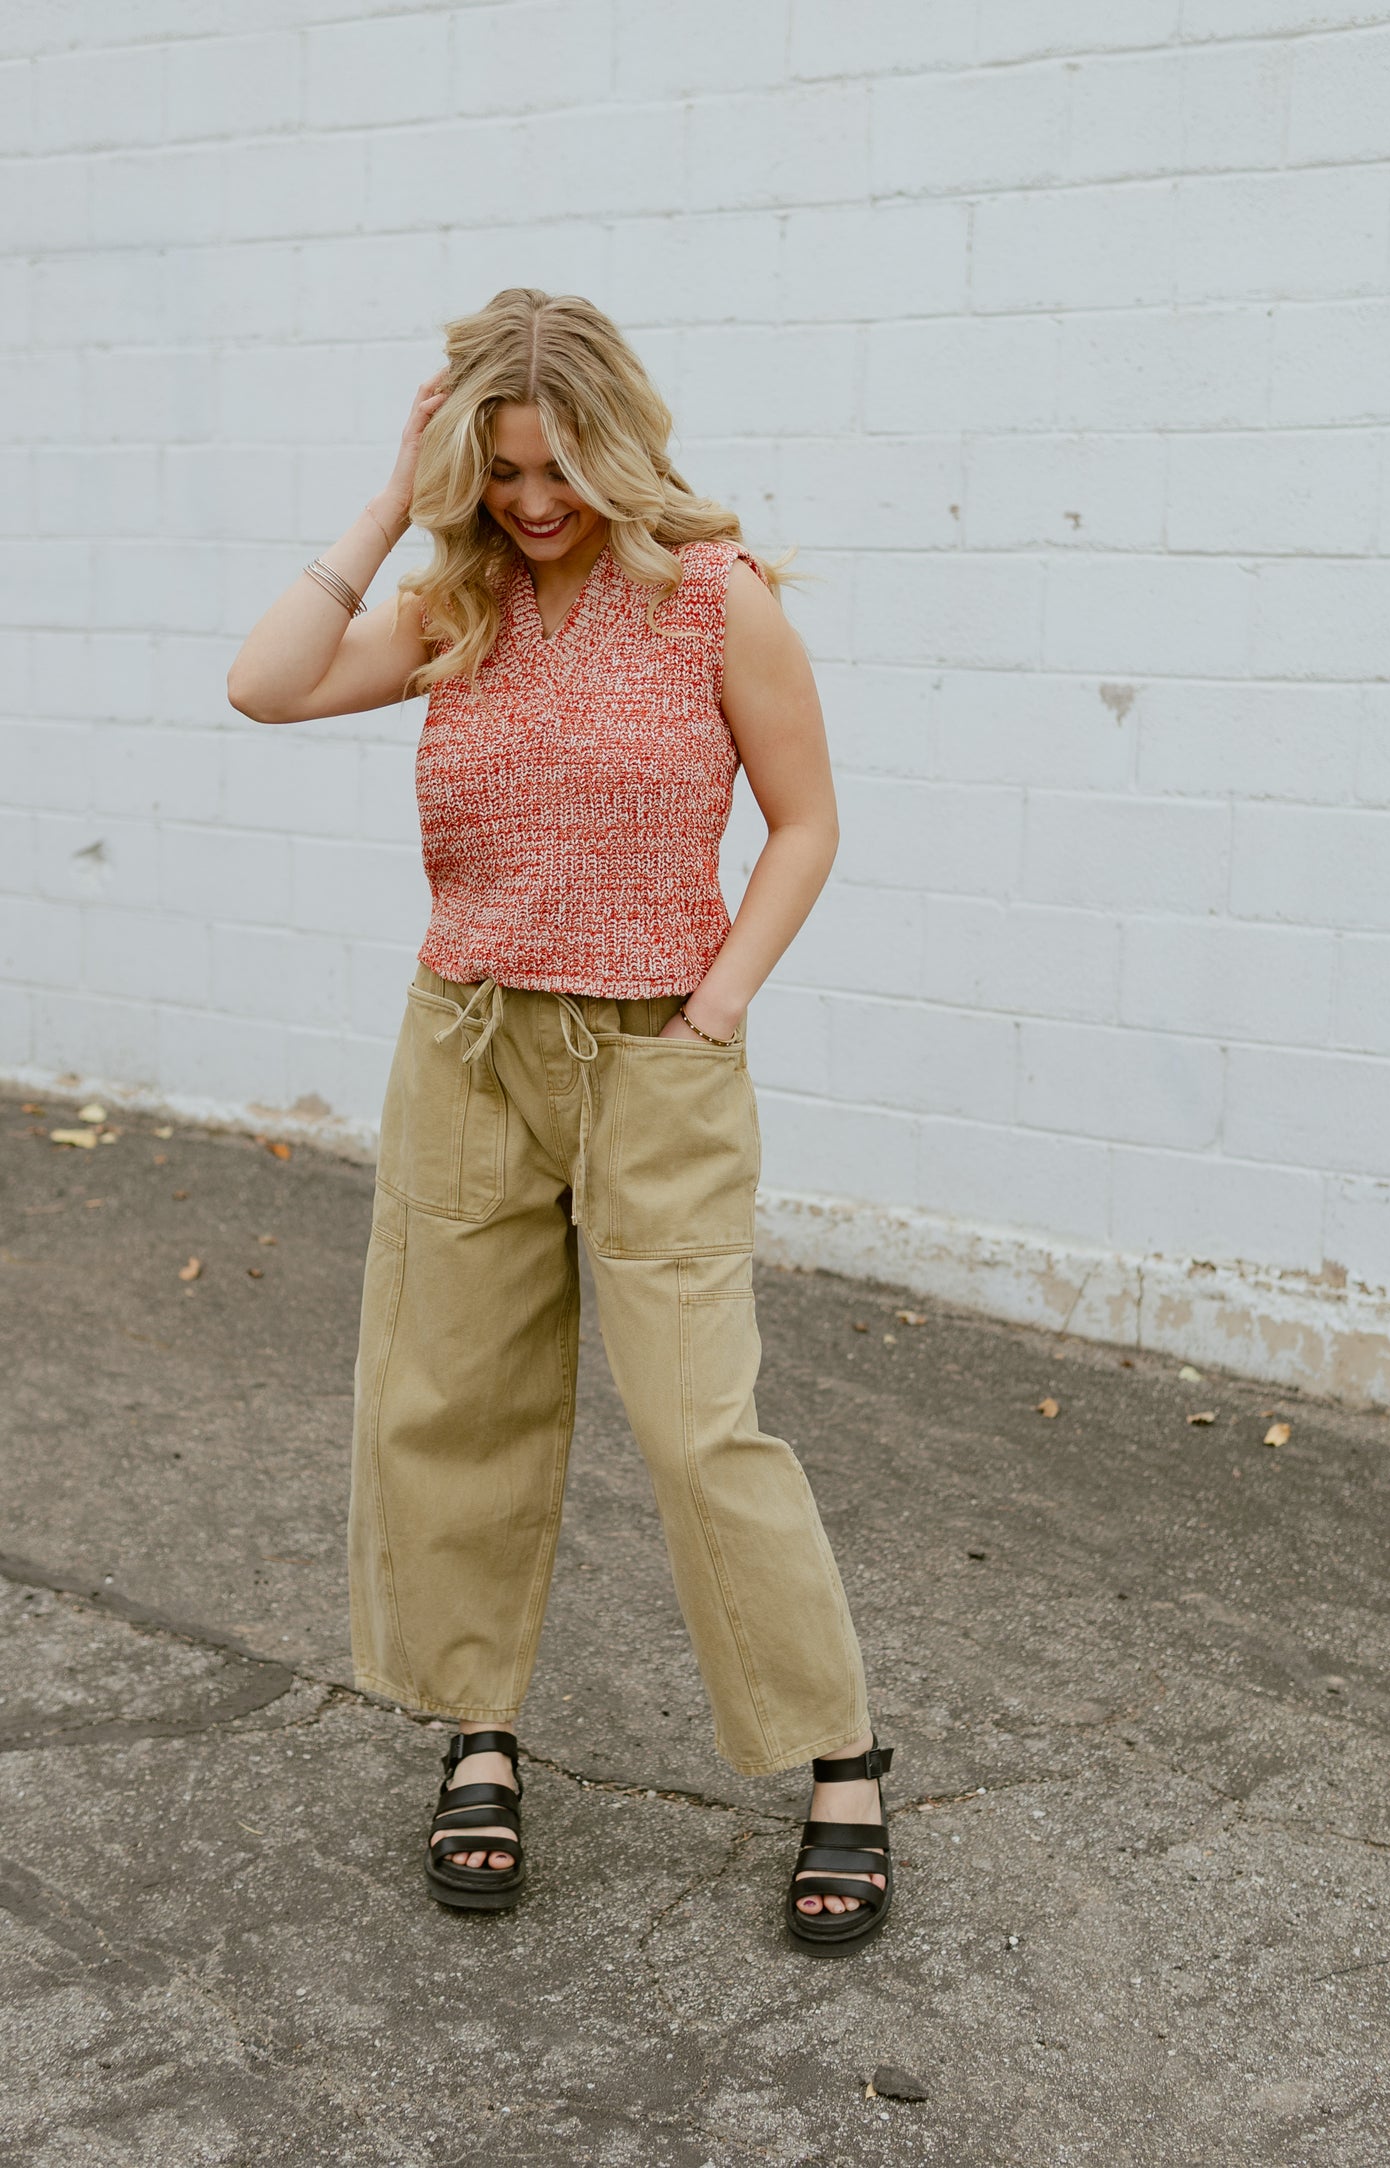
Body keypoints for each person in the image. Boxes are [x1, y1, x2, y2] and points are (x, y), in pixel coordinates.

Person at [227, 288, 893, 1953]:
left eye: (555, 467)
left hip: (652, 1058)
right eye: (501, 468)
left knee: (695, 1424)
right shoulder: (459, 602)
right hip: (465, 1045)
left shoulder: (710, 601)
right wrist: (391, 504)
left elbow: (805, 825)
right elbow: (265, 686)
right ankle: (480, 1734)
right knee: (451, 1402)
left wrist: (714, 1010)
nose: (532, 501)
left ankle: (840, 1758)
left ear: (616, 444)